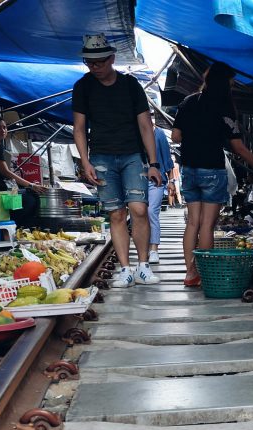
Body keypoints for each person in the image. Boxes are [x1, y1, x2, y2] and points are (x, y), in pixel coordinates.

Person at [172, 60, 253, 286]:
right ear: (225, 85)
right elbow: (239, 148)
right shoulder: (225, 107)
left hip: (189, 169)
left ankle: (189, 273)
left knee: (192, 222)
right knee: (207, 225)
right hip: (212, 169)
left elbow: (175, 137)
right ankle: (201, 272)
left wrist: (194, 136)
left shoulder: (188, 101)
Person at [72, 33, 163, 287]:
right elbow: (79, 128)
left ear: (112, 58)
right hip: (101, 157)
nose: (95, 67)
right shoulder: (83, 86)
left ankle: (143, 266)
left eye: (100, 62)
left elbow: (146, 125)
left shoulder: (131, 85)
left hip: (133, 155)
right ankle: (125, 269)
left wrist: (154, 164)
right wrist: (85, 161)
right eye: (90, 63)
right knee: (116, 214)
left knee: (139, 209)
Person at [0, 114, 47, 196]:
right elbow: (5, 172)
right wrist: (31, 185)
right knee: (29, 195)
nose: (3, 130)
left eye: (4, 127)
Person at [146, 112, 175, 263]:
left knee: (152, 212)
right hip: (136, 179)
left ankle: (154, 249)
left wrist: (171, 181)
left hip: (156, 180)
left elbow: (167, 158)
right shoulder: (133, 132)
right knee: (139, 214)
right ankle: (143, 249)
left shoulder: (159, 133)